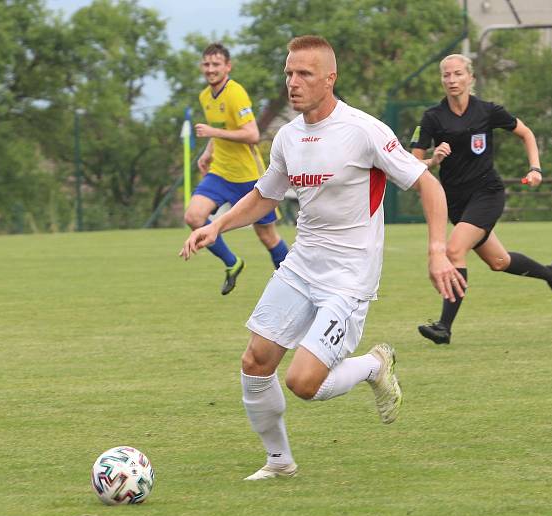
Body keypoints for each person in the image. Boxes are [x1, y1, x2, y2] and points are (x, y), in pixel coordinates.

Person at [181, 35, 464, 480]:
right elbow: (263, 195)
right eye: (289, 73)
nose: (293, 83)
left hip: (350, 278)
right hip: (301, 265)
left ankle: (374, 364)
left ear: (329, 79)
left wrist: (437, 250)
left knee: (303, 383)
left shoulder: (364, 130)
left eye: (304, 74)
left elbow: (428, 184)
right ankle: (279, 462)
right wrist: (216, 224)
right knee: (255, 363)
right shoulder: (288, 138)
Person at [410, 53, 552, 345]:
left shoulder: (487, 111)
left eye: (458, 74)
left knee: (454, 250)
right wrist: (433, 160)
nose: (452, 80)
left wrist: (535, 168)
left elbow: (527, 133)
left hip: (488, 193)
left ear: (470, 78)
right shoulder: (432, 118)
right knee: (500, 261)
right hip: (457, 203)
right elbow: (412, 165)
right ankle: (551, 274)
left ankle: (444, 328)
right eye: (446, 75)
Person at [184, 43, 289, 295]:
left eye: (216, 64)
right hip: (220, 172)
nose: (210, 69)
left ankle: (294, 284)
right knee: (194, 217)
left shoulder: (236, 93)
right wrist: (208, 152)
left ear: (227, 67)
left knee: (268, 238)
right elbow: (220, 128)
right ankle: (232, 263)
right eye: (206, 64)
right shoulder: (205, 96)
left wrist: (212, 133)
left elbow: (252, 134)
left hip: (248, 176)